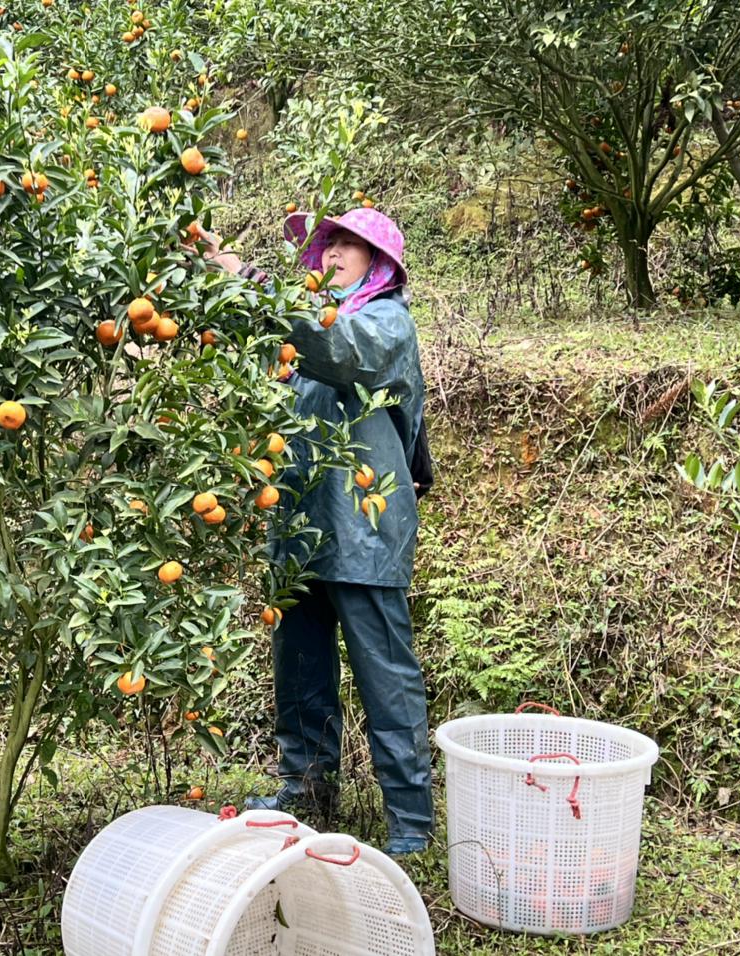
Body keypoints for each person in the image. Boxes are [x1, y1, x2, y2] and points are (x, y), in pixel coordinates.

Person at [197, 207, 433, 857]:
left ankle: (410, 823)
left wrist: (241, 273)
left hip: (364, 527)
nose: (332, 255)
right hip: (300, 522)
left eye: (349, 247)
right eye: (328, 245)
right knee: (299, 668)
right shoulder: (307, 330)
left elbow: (341, 351)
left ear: (379, 264)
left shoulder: (384, 323)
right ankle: (307, 793)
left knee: (385, 674)